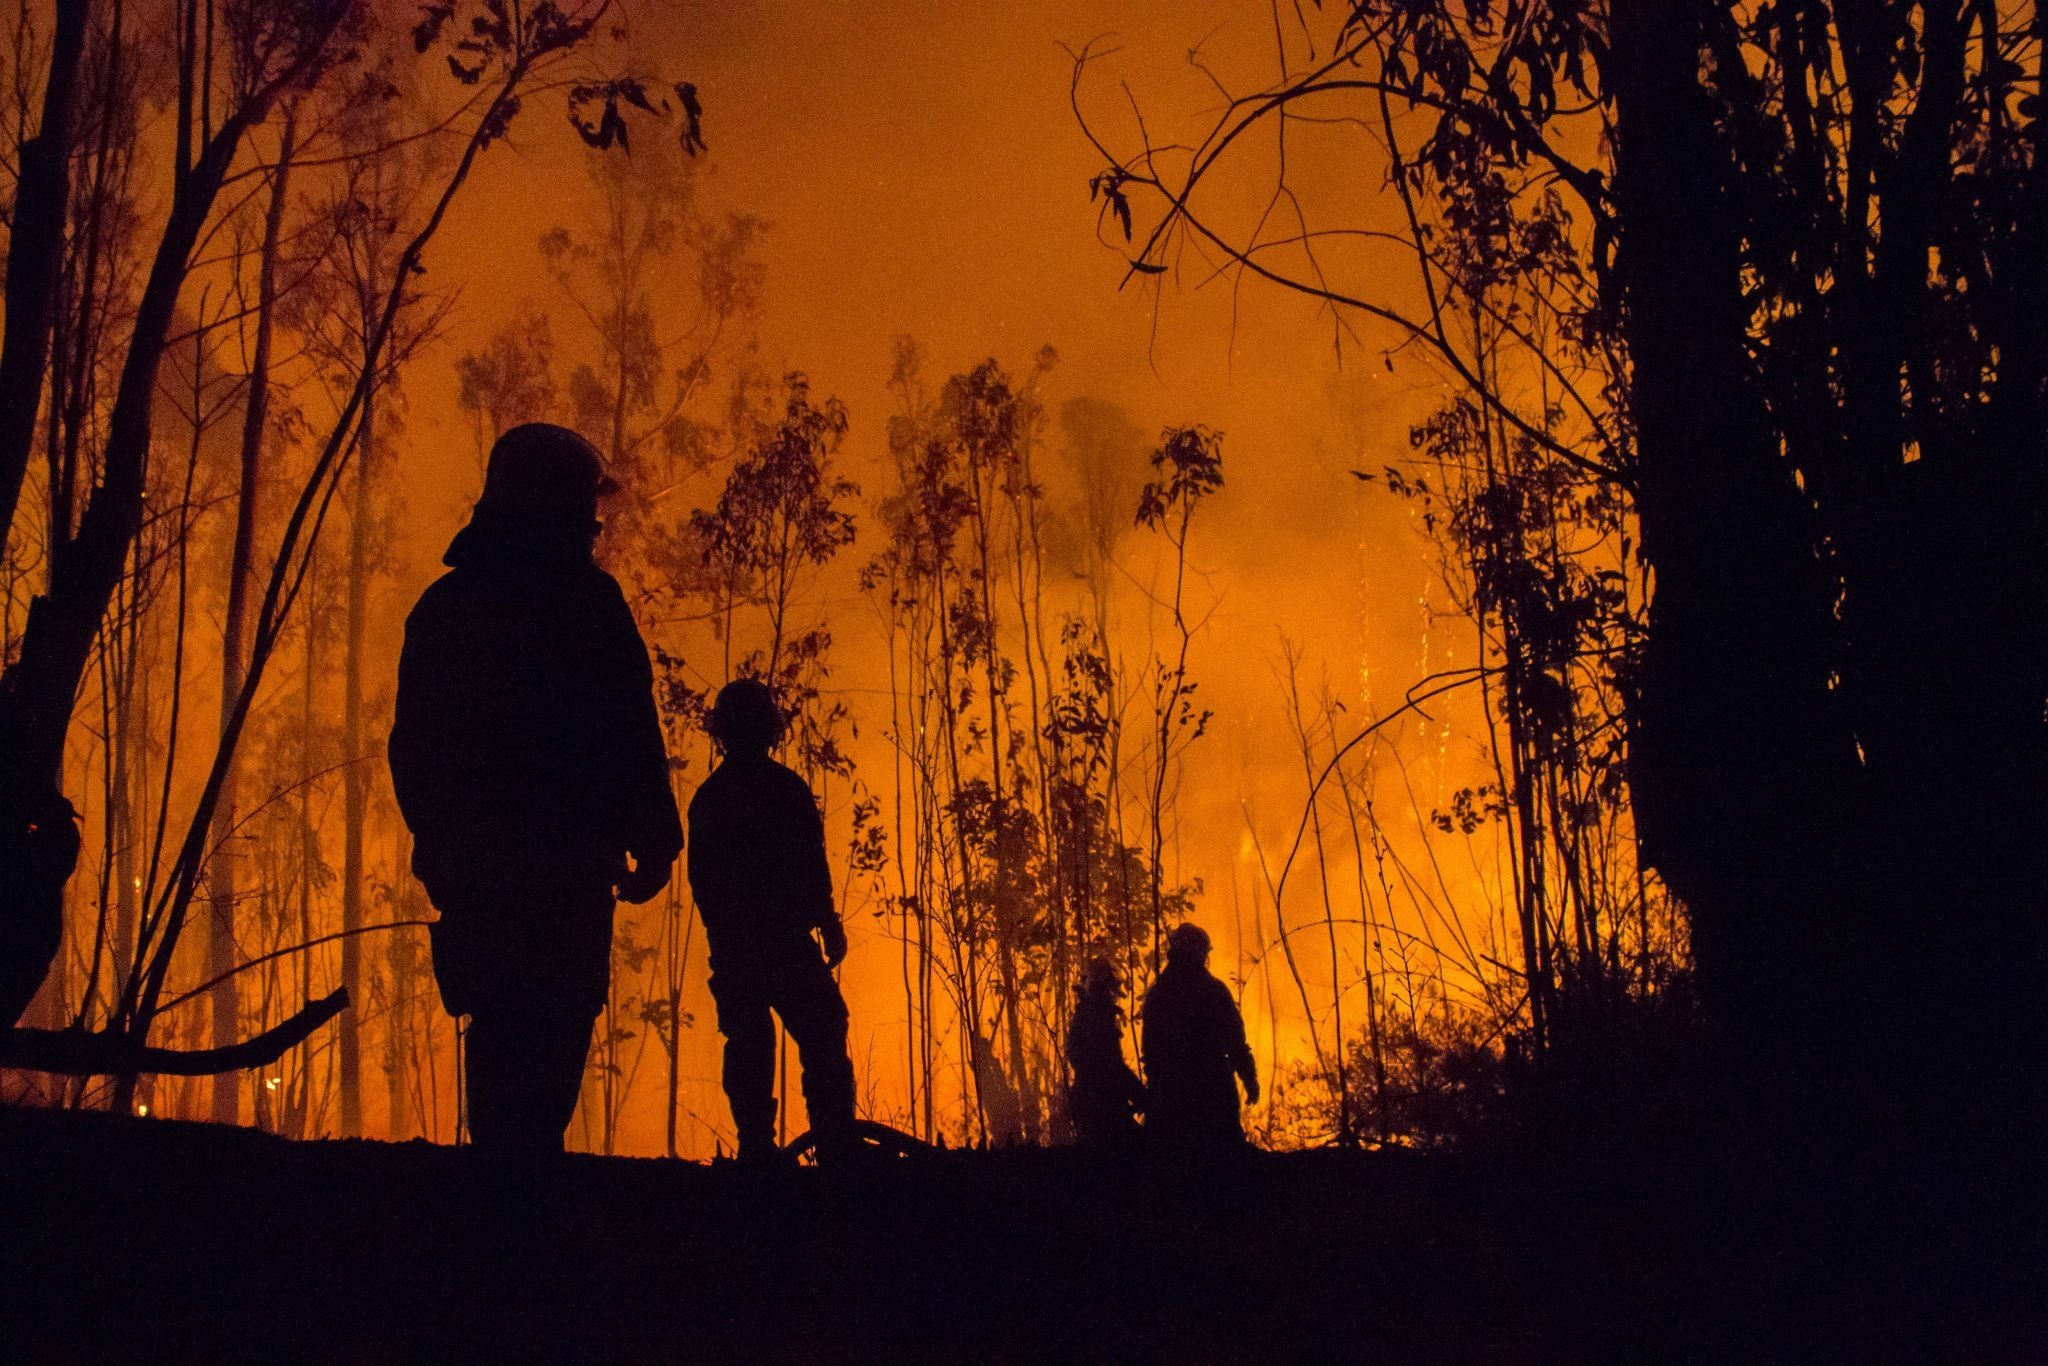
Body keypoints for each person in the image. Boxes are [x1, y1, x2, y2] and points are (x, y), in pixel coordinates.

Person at [389, 422, 681, 1154]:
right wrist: (653, 836)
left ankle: (500, 1211)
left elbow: (414, 751)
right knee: (553, 1026)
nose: (594, 521)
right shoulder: (588, 607)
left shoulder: (446, 610)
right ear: (551, 503)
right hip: (565, 871)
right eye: (585, 503)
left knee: (501, 1027)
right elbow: (628, 728)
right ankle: (524, 1211)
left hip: (488, 871)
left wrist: (442, 847)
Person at [687, 678, 857, 1163]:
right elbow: (810, 865)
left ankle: (761, 1148)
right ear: (769, 729)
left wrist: (729, 938)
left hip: (745, 947)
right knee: (818, 1030)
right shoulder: (784, 790)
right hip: (780, 944)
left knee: (753, 1040)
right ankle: (834, 1146)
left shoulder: (712, 799)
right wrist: (825, 921)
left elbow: (706, 885)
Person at [1140, 923, 1259, 1146]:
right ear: (1200, 954)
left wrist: (1156, 1090)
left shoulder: (1159, 994)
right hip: (1213, 1093)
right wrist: (1249, 1078)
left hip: (1170, 1099)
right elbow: (1235, 1043)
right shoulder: (1213, 991)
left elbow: (1150, 1051)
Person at [1066, 957, 1143, 1147]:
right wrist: (1142, 1096)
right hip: (1101, 1106)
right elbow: (1112, 1067)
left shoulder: (1085, 1014)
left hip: (1091, 1103)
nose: (1108, 994)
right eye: (1102, 987)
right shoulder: (1096, 1017)